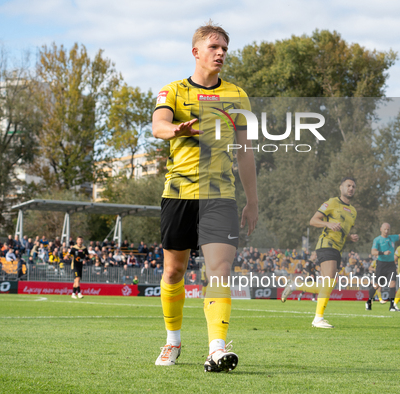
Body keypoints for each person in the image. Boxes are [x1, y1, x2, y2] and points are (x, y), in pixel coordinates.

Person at [152, 21, 258, 372]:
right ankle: (172, 341)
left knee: (220, 271)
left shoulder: (238, 96)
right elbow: (158, 126)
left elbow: (245, 152)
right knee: (173, 272)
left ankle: (216, 348)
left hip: (220, 196)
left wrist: (253, 201)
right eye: (214, 47)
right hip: (179, 194)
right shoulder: (173, 91)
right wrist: (175, 129)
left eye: (225, 48)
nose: (221, 53)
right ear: (196, 52)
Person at [282, 177, 359, 329]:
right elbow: (313, 220)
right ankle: (318, 319)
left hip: (338, 248)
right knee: (329, 282)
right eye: (348, 185)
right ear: (341, 187)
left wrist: (350, 237)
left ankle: (296, 286)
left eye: (353, 186)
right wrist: (328, 223)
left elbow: (342, 231)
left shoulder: (353, 212)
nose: (351, 188)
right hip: (327, 245)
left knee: (328, 285)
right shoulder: (332, 203)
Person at [366, 222, 400, 312]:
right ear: (381, 229)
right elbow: (373, 252)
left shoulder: (392, 238)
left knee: (393, 284)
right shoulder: (377, 240)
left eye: (388, 229)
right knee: (377, 285)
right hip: (381, 264)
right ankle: (369, 301)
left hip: (391, 264)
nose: (386, 231)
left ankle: (392, 307)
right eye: (385, 229)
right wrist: (383, 253)